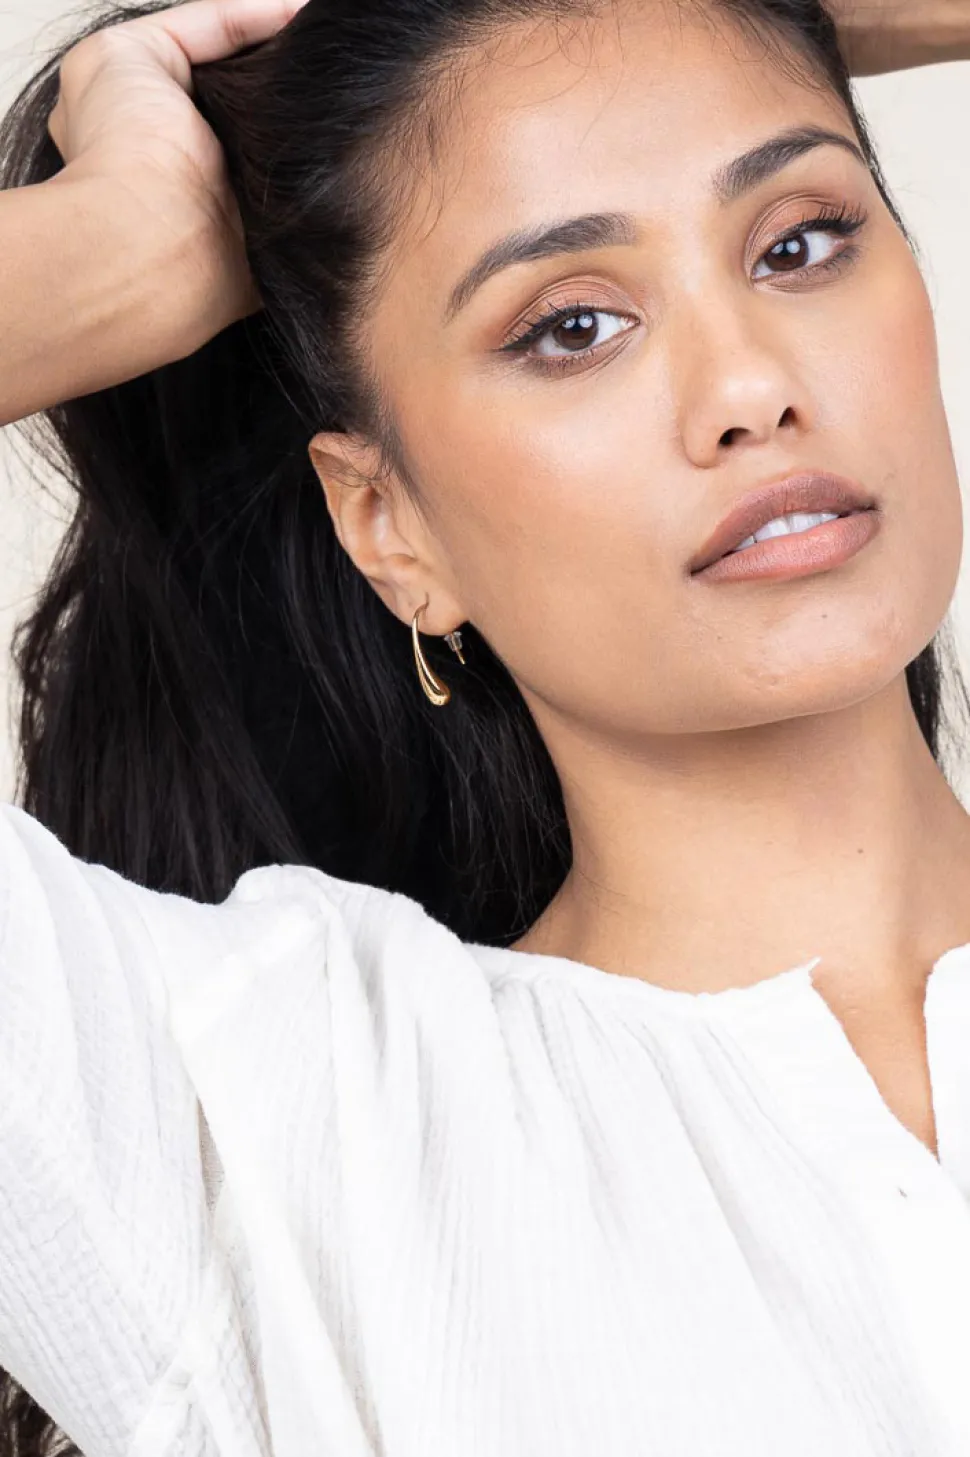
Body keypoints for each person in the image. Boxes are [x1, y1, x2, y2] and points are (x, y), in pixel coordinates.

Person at [1, 0, 970, 1452]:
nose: (751, 388)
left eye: (799, 243)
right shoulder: (270, 1123)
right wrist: (114, 245)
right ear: (385, 524)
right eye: (572, 327)